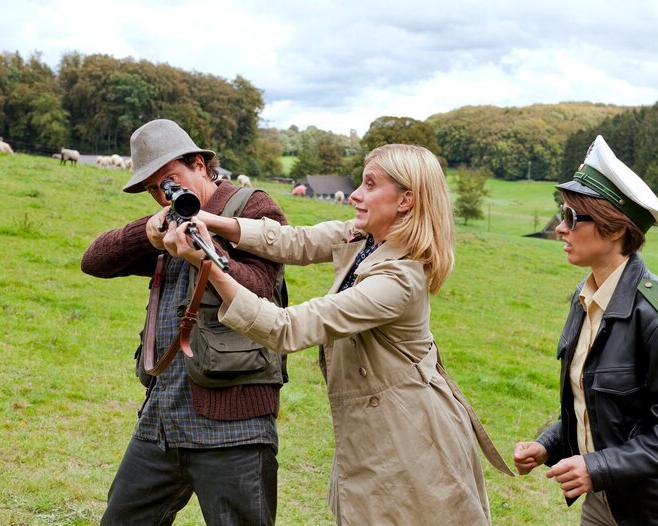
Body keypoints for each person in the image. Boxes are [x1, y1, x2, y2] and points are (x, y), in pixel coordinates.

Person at [164, 144, 509, 525]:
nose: (356, 195)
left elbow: (287, 328)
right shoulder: (363, 239)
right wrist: (211, 222)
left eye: (370, 185)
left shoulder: (399, 279)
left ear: (406, 200)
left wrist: (208, 266)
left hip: (412, 436)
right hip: (379, 427)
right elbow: (291, 240)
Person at [81, 119, 288, 525]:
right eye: (155, 188)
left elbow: (262, 292)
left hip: (236, 425)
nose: (165, 193)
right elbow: (93, 262)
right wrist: (148, 233)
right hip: (163, 417)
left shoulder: (251, 208)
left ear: (199, 164)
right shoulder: (167, 222)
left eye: (171, 180)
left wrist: (204, 254)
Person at [513, 135, 658, 525]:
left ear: (613, 230)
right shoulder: (586, 296)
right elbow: (598, 406)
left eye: (573, 217)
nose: (560, 228)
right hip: (605, 502)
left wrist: (597, 467)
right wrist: (548, 446)